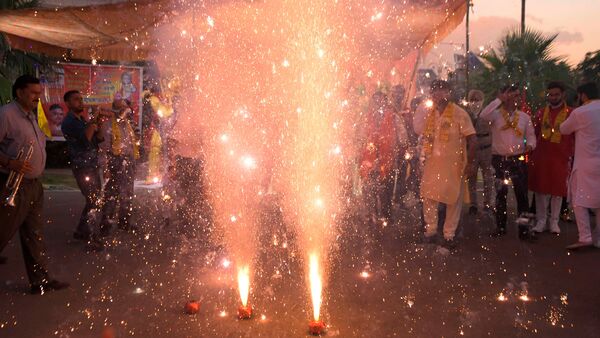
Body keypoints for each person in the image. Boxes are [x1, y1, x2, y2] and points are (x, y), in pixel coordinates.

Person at [0, 74, 69, 294]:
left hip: (33, 185)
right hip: (14, 185)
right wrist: (10, 162)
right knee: (2, 232)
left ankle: (40, 281)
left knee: (34, 234)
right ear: (19, 92)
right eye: (33, 93)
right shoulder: (6, 115)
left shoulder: (31, 115)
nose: (37, 98)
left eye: (39, 94)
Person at [413, 80, 476, 247]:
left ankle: (449, 235)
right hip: (432, 165)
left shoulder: (459, 113)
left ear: (450, 92)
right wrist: (421, 162)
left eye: (442, 90)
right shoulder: (430, 114)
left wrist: (470, 163)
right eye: (435, 91)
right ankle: (431, 232)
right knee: (428, 197)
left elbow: (472, 139)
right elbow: (422, 136)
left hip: (453, 165)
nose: (438, 94)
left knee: (452, 200)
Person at [479, 84, 536, 236]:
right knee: (500, 194)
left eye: (517, 95)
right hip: (499, 160)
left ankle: (524, 230)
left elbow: (531, 135)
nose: (514, 99)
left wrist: (530, 145)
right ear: (505, 96)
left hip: (518, 159)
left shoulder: (525, 117)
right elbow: (483, 115)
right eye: (511, 95)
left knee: (522, 195)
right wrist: (499, 100)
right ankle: (501, 227)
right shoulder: (495, 114)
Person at [61, 90, 107, 249]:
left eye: (81, 99)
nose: (81, 102)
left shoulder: (82, 120)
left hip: (92, 165)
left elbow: (98, 139)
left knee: (93, 199)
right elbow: (85, 139)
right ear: (67, 104)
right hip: (82, 167)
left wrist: (98, 123)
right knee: (94, 200)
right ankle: (91, 238)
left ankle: (81, 231)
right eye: (76, 100)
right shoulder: (69, 122)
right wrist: (93, 121)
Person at [529, 82, 574, 234]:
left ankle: (554, 221)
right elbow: (534, 134)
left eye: (556, 94)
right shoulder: (541, 113)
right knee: (541, 190)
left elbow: (575, 136)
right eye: (550, 94)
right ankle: (541, 220)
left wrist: (571, 154)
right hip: (542, 156)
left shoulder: (571, 113)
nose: (553, 97)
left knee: (557, 191)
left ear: (563, 95)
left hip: (561, 157)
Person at [560, 82, 600, 249]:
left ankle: (585, 236)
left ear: (583, 95)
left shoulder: (581, 112)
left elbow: (563, 129)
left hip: (585, 163)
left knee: (578, 199)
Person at [100, 99, 139, 232]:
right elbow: (103, 150)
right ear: (115, 110)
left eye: (125, 107)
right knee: (111, 195)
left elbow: (132, 146)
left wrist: (133, 165)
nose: (124, 110)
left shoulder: (128, 125)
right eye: (121, 108)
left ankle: (124, 223)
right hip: (114, 164)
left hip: (128, 164)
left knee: (127, 195)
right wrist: (105, 168)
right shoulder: (108, 126)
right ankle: (106, 224)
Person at [359, 91, 398, 225]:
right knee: (369, 189)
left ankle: (386, 216)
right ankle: (370, 215)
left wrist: (395, 154)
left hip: (386, 160)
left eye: (380, 101)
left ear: (385, 102)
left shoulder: (393, 117)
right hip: (368, 160)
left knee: (385, 188)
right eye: (375, 101)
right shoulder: (366, 118)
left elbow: (400, 137)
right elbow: (361, 137)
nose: (378, 104)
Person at [465, 89, 494, 215]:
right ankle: (473, 204)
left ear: (482, 100)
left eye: (477, 99)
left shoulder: (488, 114)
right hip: (472, 149)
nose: (475, 102)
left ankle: (487, 203)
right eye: (472, 99)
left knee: (488, 178)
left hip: (486, 149)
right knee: (471, 177)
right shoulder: (466, 115)